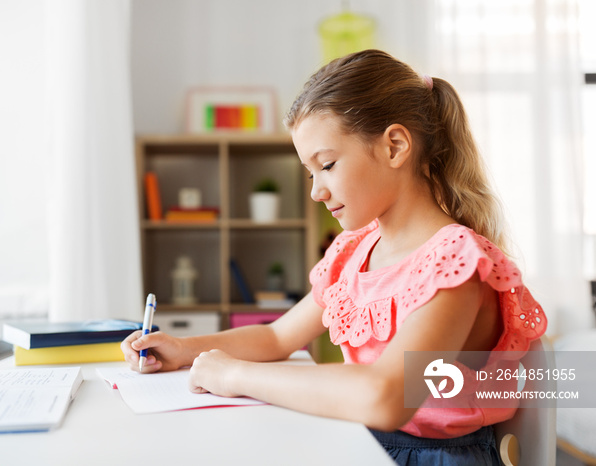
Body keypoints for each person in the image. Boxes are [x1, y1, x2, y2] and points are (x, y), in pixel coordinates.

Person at [121, 49, 547, 465]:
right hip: (361, 442)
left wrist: (233, 375)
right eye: (310, 173)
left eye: (327, 165)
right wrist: (182, 349)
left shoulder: (456, 263)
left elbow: (385, 398)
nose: (315, 191)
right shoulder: (354, 252)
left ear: (395, 146)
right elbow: (275, 337)